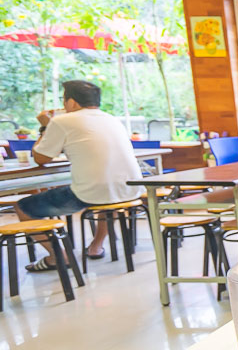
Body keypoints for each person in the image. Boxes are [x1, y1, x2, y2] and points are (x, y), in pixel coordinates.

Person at [16, 80, 143, 271]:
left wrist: (45, 126)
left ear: (72, 102)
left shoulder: (62, 121)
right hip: (130, 189)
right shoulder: (112, 119)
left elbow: (41, 158)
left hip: (90, 194)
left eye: (64, 99)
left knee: (22, 208)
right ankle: (96, 246)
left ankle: (58, 257)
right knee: (107, 198)